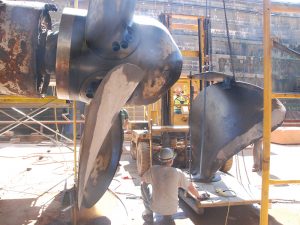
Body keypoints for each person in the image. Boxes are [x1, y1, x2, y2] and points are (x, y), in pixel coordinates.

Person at [141, 148, 209, 224]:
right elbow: (190, 187)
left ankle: (149, 213)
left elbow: (143, 180)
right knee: (174, 188)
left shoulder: (153, 169)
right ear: (172, 160)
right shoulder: (178, 172)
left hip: (155, 207)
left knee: (143, 184)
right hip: (172, 209)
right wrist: (198, 196)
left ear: (160, 159)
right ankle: (168, 216)